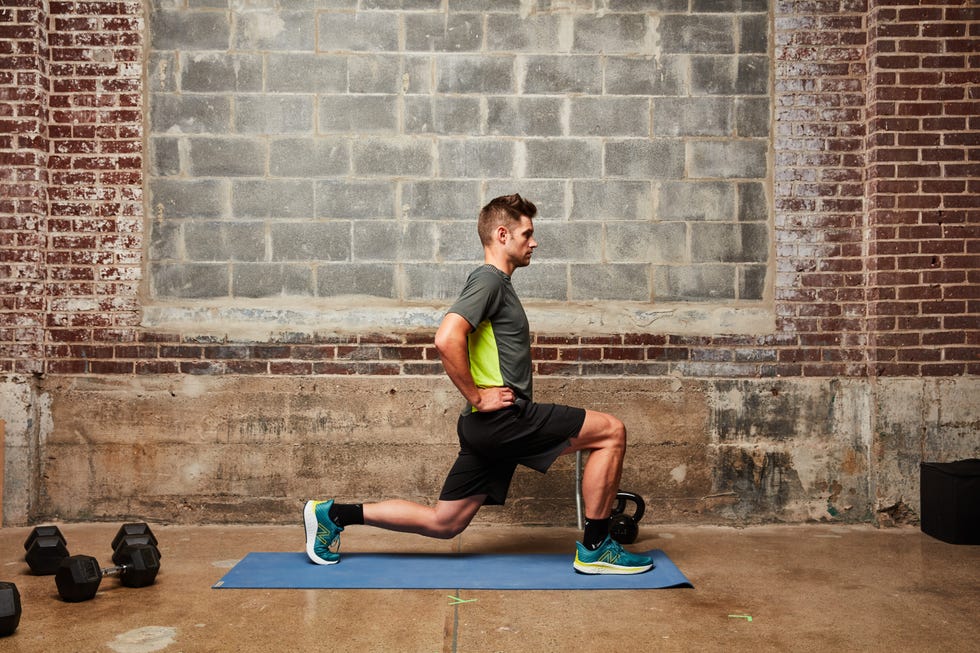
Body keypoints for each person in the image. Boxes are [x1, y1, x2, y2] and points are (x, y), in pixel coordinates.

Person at [304, 193, 653, 575]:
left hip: (485, 427)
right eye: (527, 233)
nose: (533, 242)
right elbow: (446, 337)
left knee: (445, 523)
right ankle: (596, 547)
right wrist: (477, 396)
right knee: (611, 432)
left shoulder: (496, 284)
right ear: (502, 234)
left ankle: (333, 514)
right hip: (503, 419)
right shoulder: (489, 280)